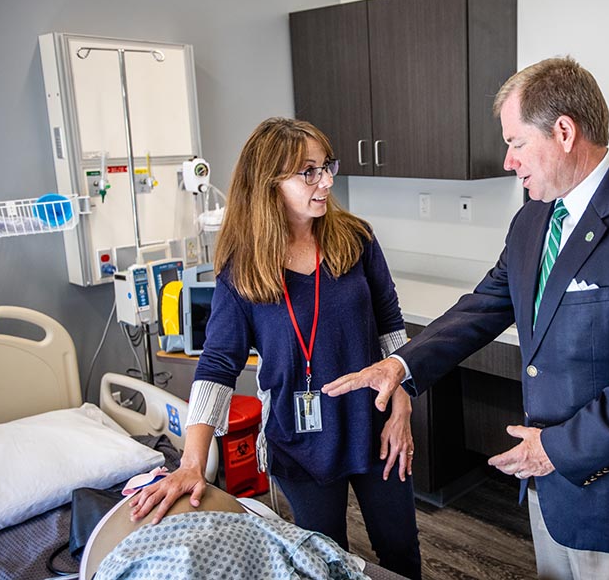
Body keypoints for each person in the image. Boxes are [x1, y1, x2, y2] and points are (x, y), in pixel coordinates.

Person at [324, 57, 609, 580]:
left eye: (516, 143)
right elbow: (485, 305)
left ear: (564, 131)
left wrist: (552, 449)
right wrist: (402, 366)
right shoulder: (534, 218)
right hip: (549, 488)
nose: (508, 161)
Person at [129, 117, 422, 580]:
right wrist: (192, 462)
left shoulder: (356, 238)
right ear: (269, 182)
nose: (326, 181)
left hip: (376, 422)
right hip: (301, 440)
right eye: (309, 172)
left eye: (327, 167)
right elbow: (219, 363)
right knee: (323, 562)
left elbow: (389, 323)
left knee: (401, 551)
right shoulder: (243, 268)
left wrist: (403, 404)